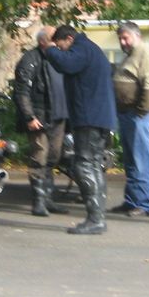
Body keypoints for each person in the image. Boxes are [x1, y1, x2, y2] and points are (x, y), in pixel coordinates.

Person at [44, 25, 116, 235]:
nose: (61, 50)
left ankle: (95, 219)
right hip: (99, 116)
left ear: (69, 38)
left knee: (84, 165)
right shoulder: (92, 49)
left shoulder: (82, 48)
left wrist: (49, 48)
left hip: (89, 117)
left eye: (61, 46)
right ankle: (98, 217)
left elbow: (66, 64)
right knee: (93, 165)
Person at [13, 29, 70, 217]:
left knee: (53, 157)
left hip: (58, 115)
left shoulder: (59, 58)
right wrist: (29, 116)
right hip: (39, 117)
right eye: (54, 40)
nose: (58, 43)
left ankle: (48, 199)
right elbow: (21, 91)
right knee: (39, 157)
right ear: (44, 41)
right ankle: (38, 202)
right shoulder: (30, 59)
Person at [110, 22, 149, 217]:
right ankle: (132, 200)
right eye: (120, 39)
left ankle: (145, 203)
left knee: (140, 159)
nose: (123, 42)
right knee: (130, 160)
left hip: (137, 114)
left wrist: (142, 110)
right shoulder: (130, 55)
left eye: (125, 38)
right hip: (126, 113)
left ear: (136, 36)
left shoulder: (145, 53)